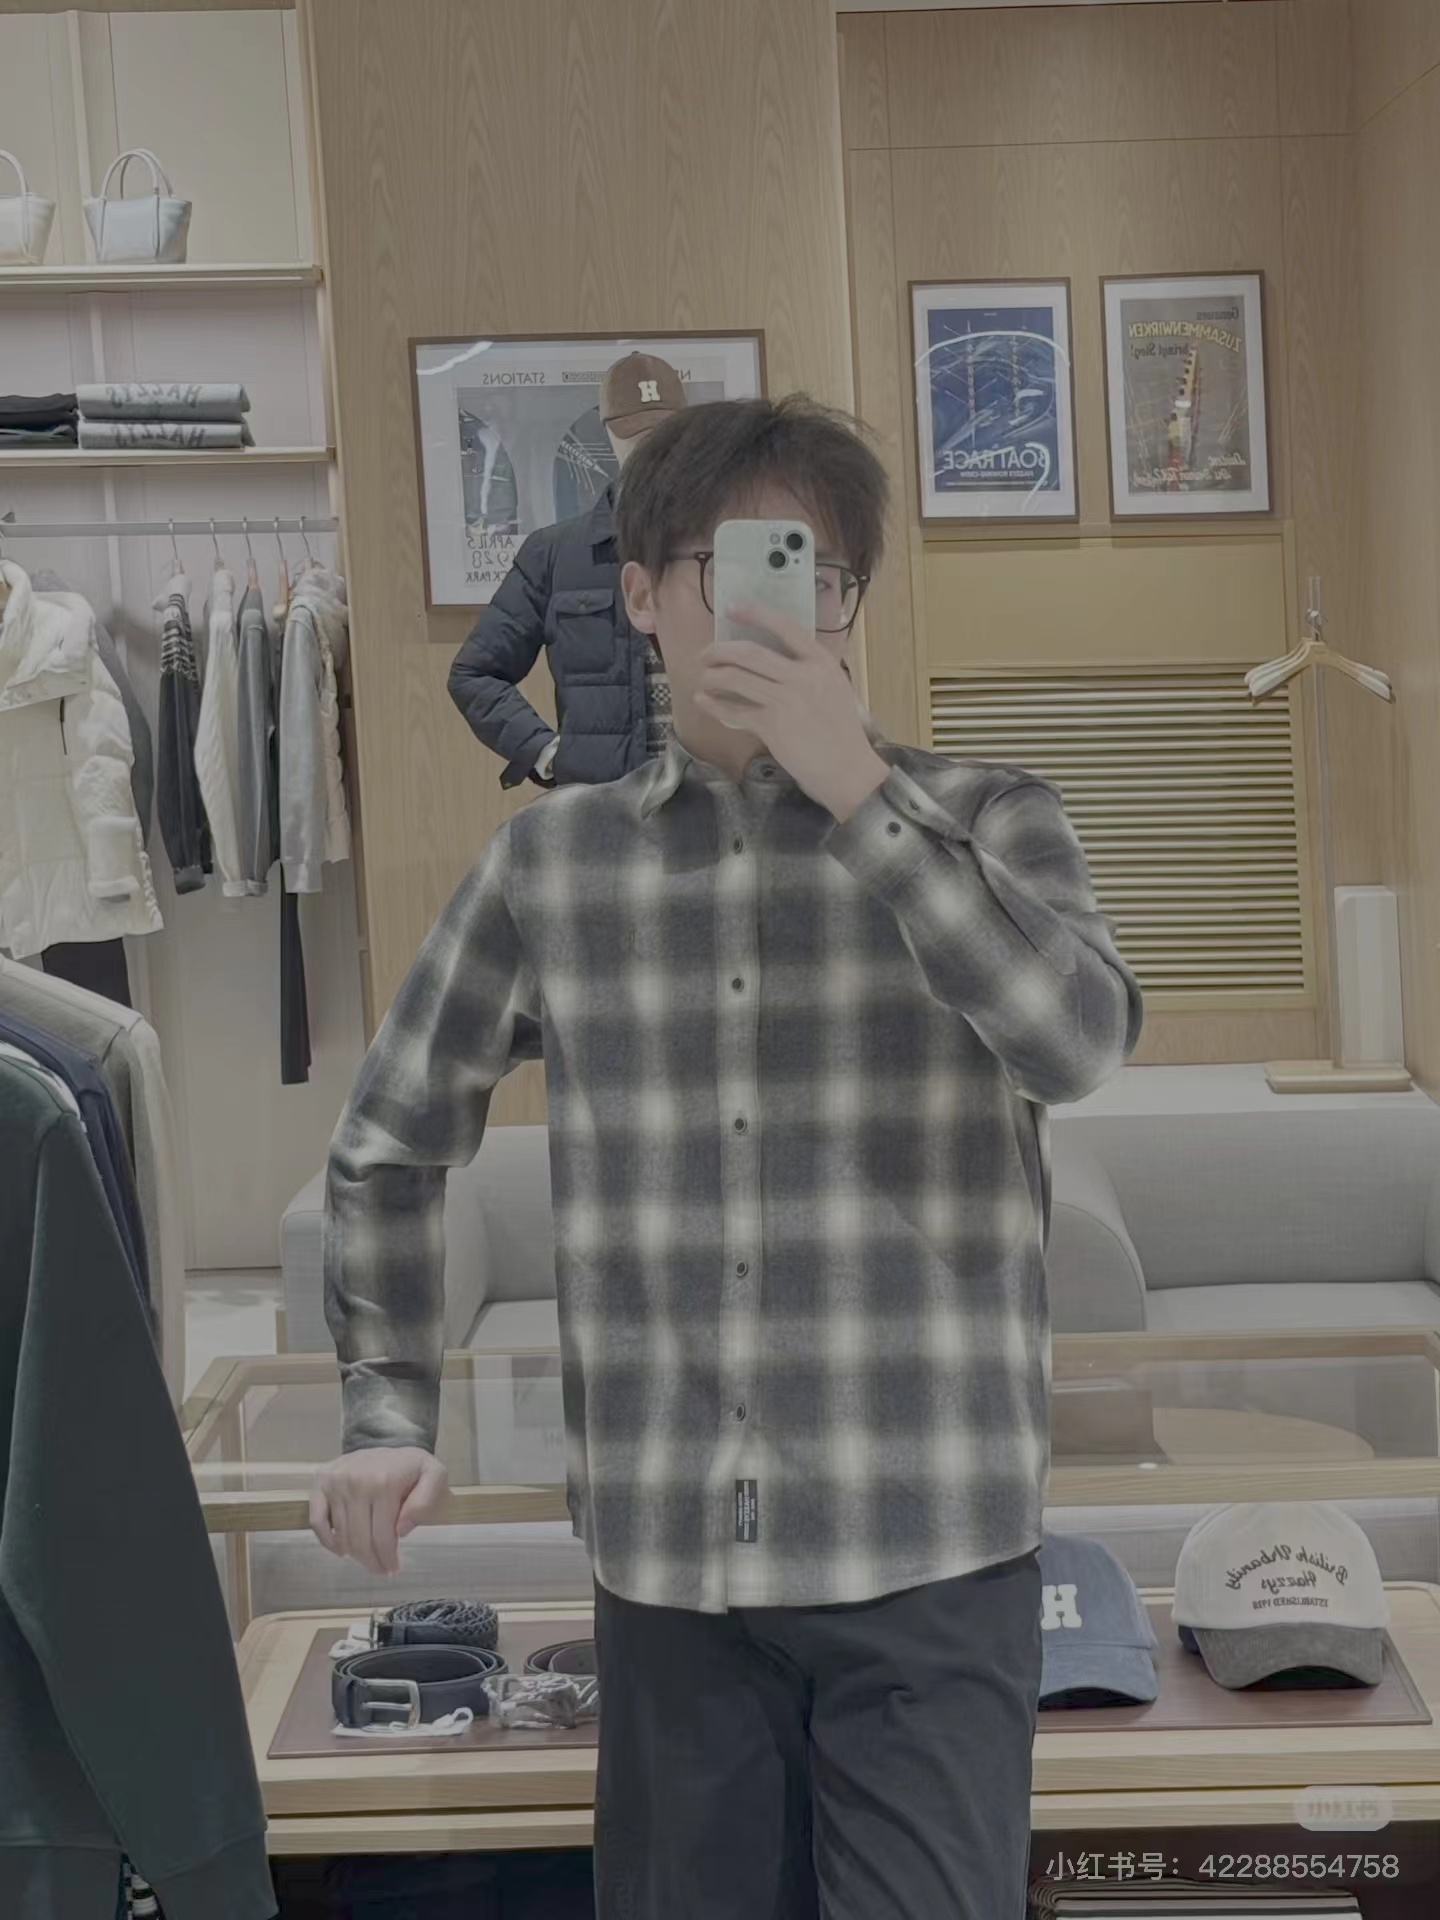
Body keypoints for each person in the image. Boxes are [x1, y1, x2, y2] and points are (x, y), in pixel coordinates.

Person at [313, 395, 1144, 1919]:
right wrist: (385, 1406)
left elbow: (1078, 1044)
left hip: (932, 1557)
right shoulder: (554, 863)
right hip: (672, 1574)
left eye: (820, 573)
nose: (789, 605)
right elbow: (388, 1136)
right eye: (740, 564)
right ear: (641, 594)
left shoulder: (992, 821)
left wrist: (863, 799)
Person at [447, 351, 687, 790]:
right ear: (608, 433)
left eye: (666, 434)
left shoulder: (721, 544)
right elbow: (475, 673)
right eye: (635, 435)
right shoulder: (555, 555)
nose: (652, 450)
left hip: (710, 802)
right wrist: (547, 754)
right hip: (604, 807)